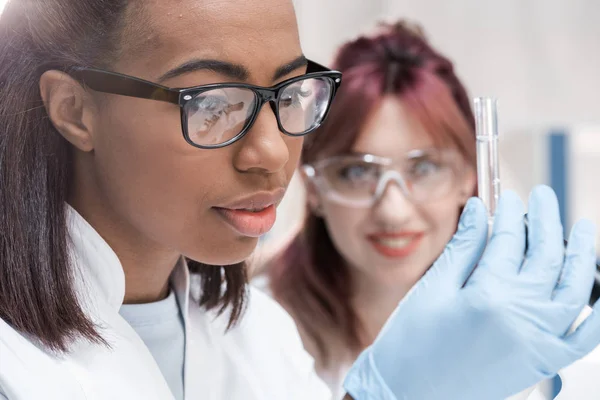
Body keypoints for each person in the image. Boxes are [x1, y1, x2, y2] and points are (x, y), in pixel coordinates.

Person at [0, 2, 598, 400]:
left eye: (289, 92)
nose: (273, 153)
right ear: (75, 111)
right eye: (213, 102)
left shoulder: (258, 337)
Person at [268, 21, 600, 399]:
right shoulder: (254, 331)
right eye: (357, 171)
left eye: (424, 168)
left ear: (468, 177)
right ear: (313, 187)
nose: (394, 211)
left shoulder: (507, 325)